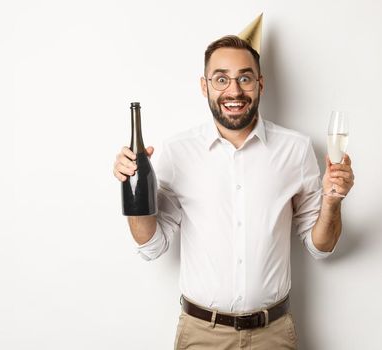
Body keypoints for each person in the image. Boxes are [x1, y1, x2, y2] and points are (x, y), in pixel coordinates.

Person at [111, 35, 355, 349]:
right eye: (221, 79)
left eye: (244, 78)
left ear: (261, 84)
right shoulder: (178, 151)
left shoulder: (295, 149)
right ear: (204, 86)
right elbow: (153, 246)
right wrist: (132, 189)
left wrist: (332, 202)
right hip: (201, 335)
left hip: (273, 335)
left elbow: (320, 246)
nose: (234, 90)